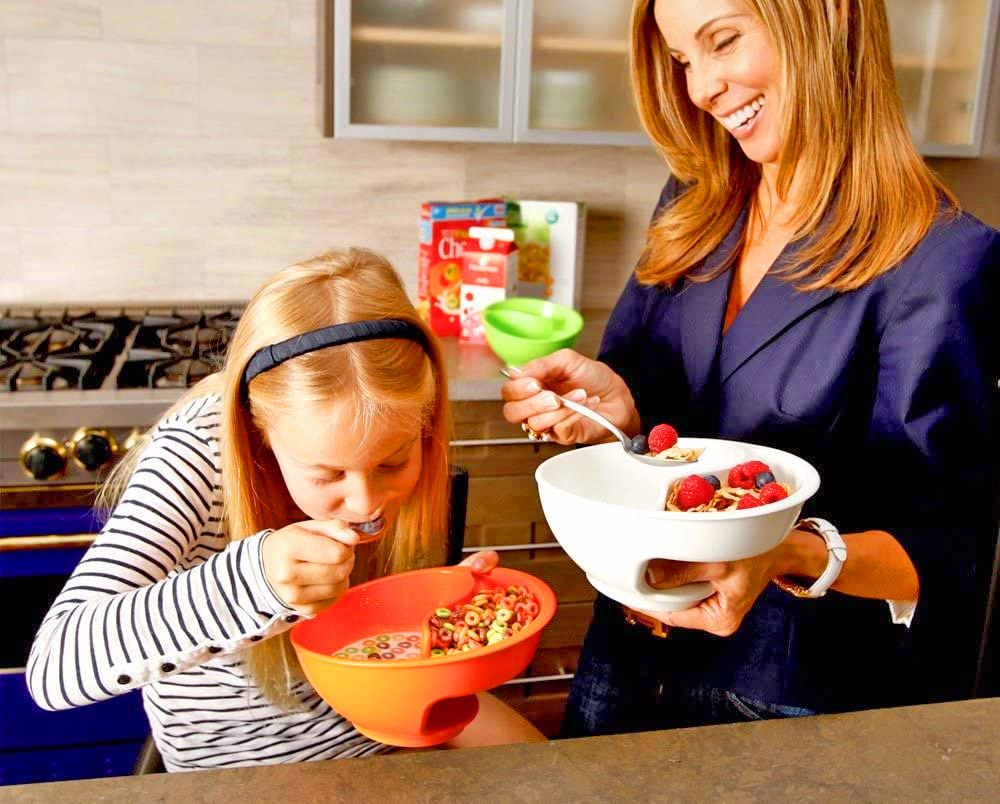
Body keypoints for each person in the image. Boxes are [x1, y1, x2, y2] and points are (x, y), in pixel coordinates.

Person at [502, 0, 998, 736]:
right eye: (682, 61)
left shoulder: (941, 261)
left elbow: (948, 553)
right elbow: (654, 441)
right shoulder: (693, 209)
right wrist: (619, 414)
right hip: (633, 648)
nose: (701, 88)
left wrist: (781, 553)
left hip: (788, 694)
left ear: (828, 18)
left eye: (722, 42)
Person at [28, 247, 545, 771]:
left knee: (556, 779)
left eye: (392, 463)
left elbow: (358, 627)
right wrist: (255, 582)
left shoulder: (397, 418)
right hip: (248, 770)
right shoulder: (193, 458)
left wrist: (436, 606)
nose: (365, 501)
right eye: (326, 475)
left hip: (388, 716)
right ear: (259, 433)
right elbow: (54, 667)